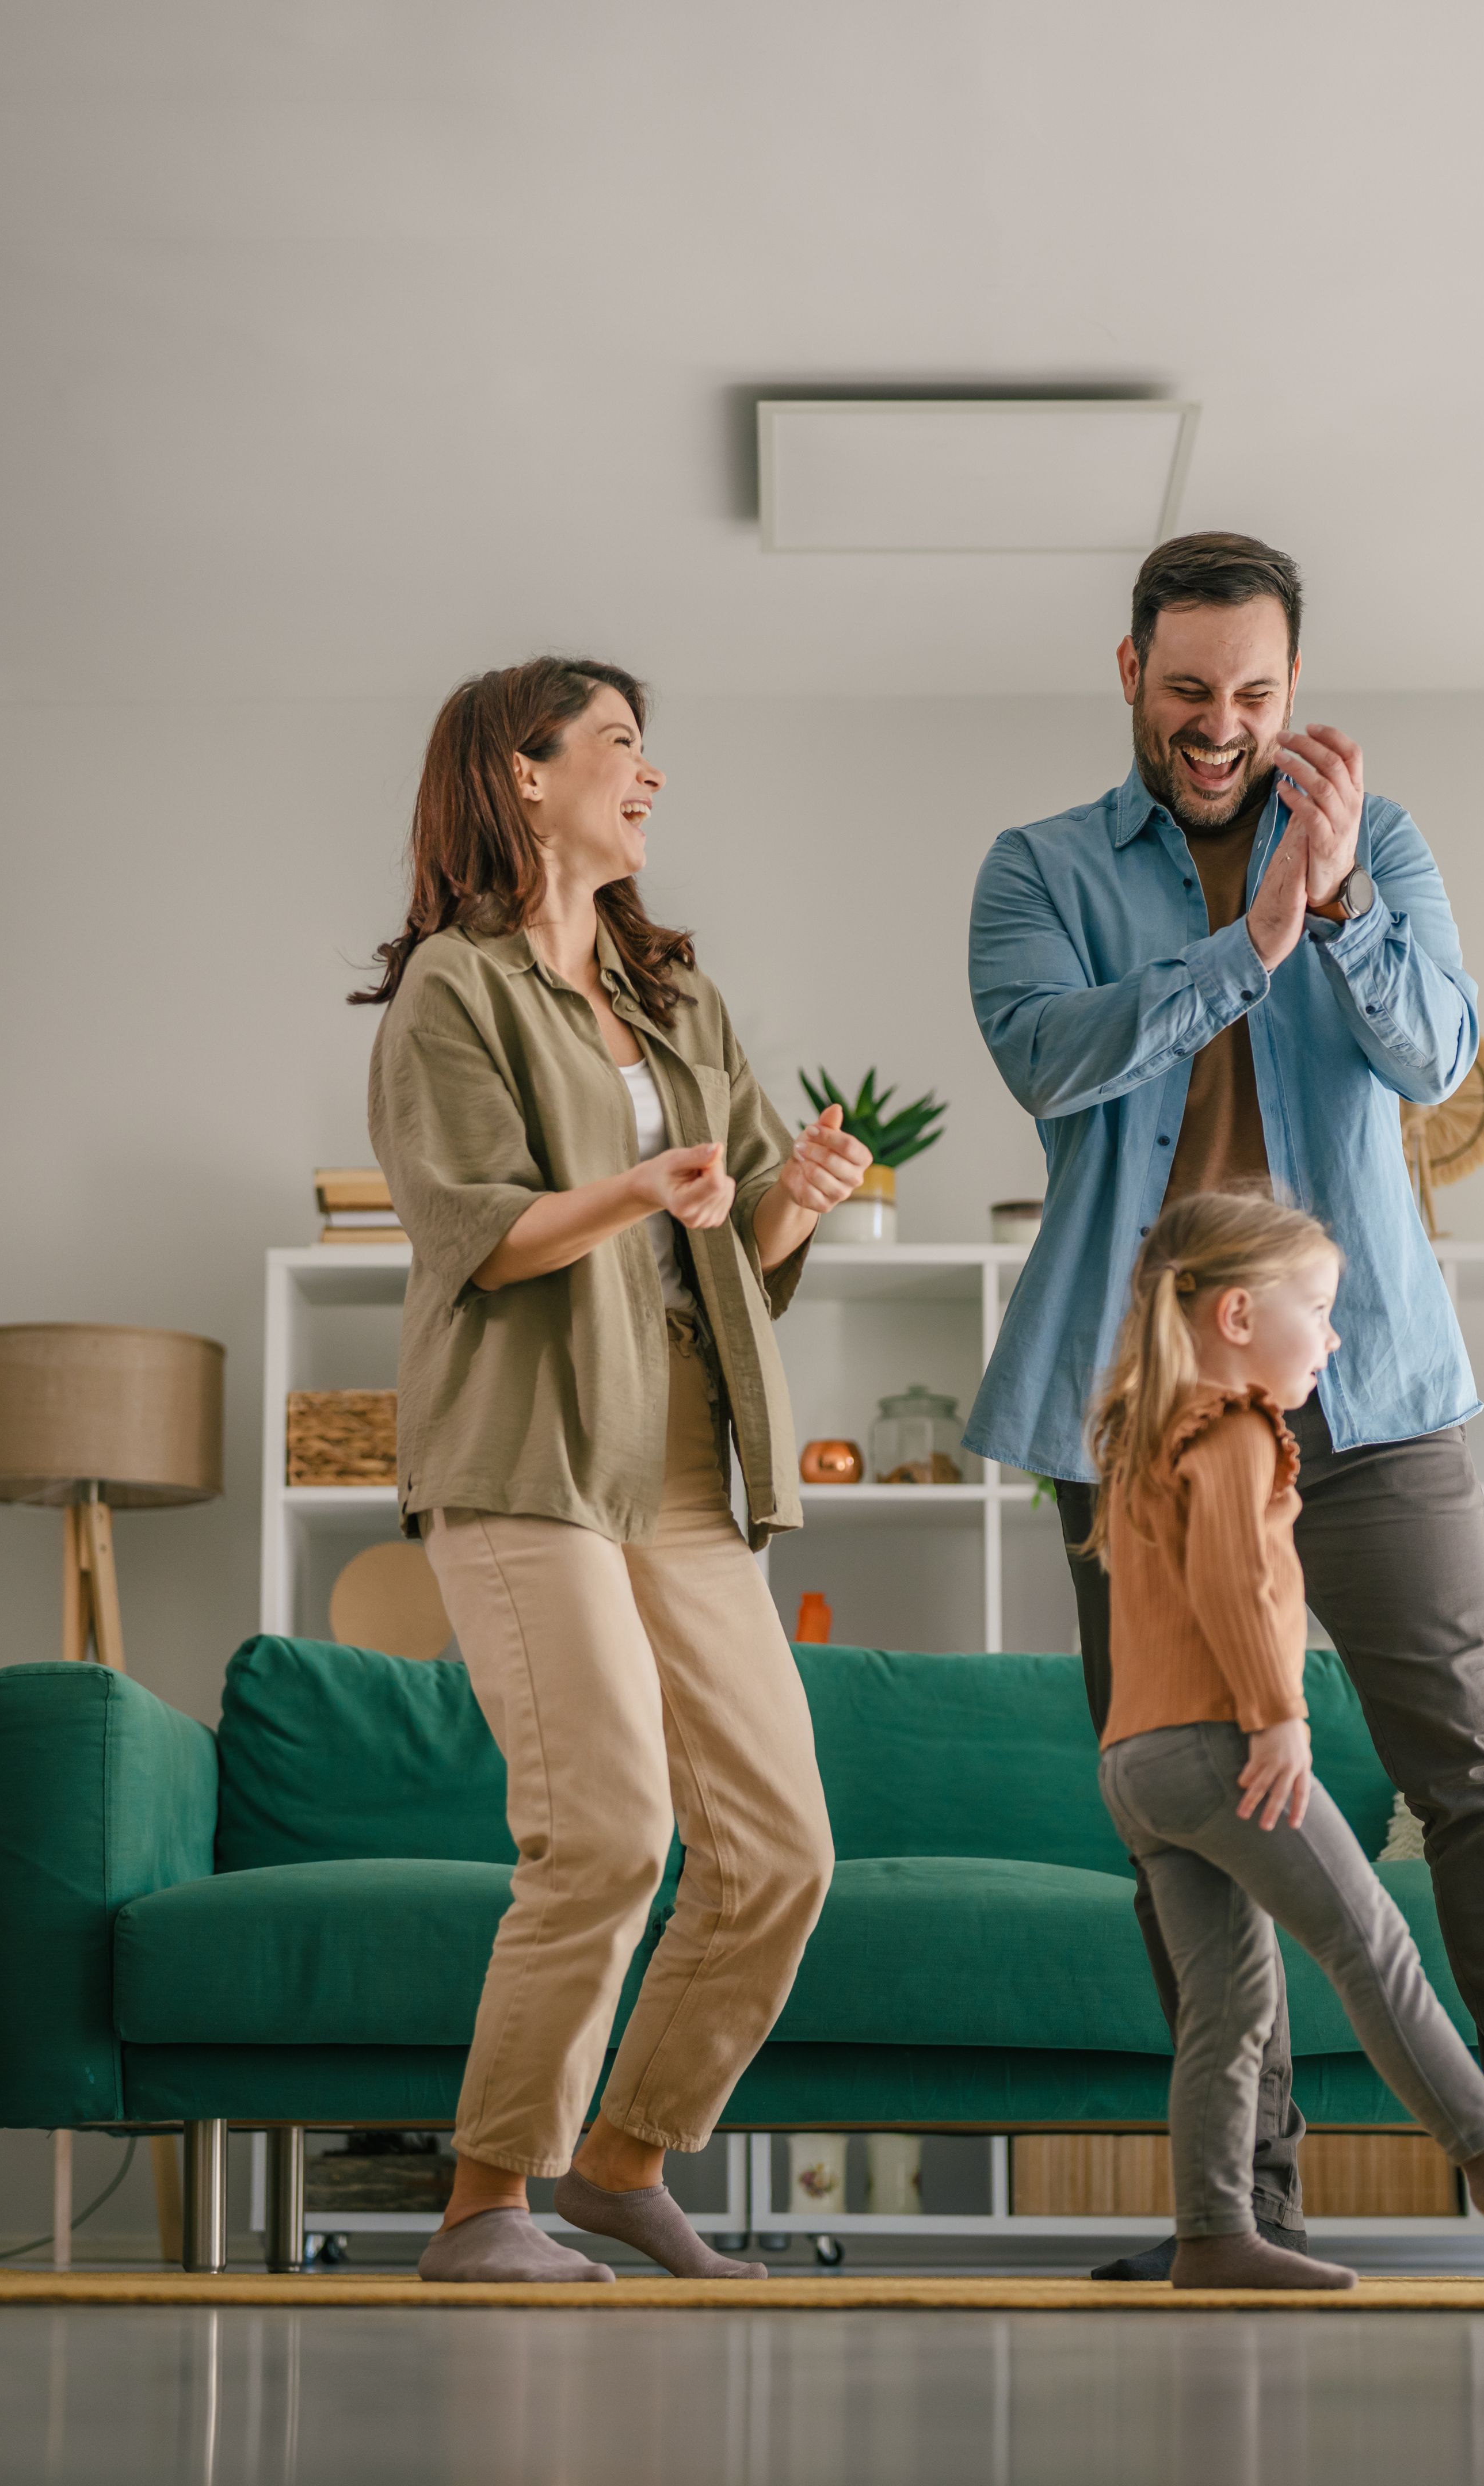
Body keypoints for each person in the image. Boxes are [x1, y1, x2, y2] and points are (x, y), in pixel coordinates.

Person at [964, 532, 1484, 2285]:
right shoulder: (1044, 869)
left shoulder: (1387, 848)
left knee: (1477, 1770)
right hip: (1137, 1423)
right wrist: (1247, 946)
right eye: (1187, 690)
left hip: (1361, 1392)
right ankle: (1244, 2210)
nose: (1219, 728)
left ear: (1296, 691)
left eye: (1254, 695)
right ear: (1128, 671)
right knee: (1185, 1805)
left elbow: (1436, 1060)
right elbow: (1049, 1058)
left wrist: (1343, 899)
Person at [359, 655, 872, 2285]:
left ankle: (624, 2162)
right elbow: (476, 1234)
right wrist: (642, 1186)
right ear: (523, 774)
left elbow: (744, 1257)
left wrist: (797, 1191)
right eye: (620, 747)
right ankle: (485, 2206)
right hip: (526, 1456)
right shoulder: (458, 988)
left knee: (783, 1846)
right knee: (605, 1833)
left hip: (690, 1469)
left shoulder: (679, 1001)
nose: (648, 779)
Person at [1084, 1187, 1484, 2288]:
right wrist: (1277, 1720)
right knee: (1366, 1941)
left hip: (1134, 1766)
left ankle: (1215, 2234)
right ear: (1237, 1318)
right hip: (1217, 1747)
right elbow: (1237, 1581)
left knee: (1227, 2010)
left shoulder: (1138, 1429)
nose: (1336, 1337)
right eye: (1320, 1308)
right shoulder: (1235, 1426)